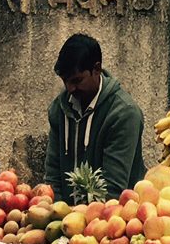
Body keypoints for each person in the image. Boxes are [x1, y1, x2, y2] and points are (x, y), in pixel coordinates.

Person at [46, 34, 145, 202]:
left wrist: (81, 220)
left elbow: (113, 189)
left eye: (77, 81)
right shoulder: (59, 108)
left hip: (118, 218)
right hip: (67, 221)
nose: (70, 88)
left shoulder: (124, 113)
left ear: (96, 69)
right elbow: (53, 175)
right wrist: (56, 213)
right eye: (65, 81)